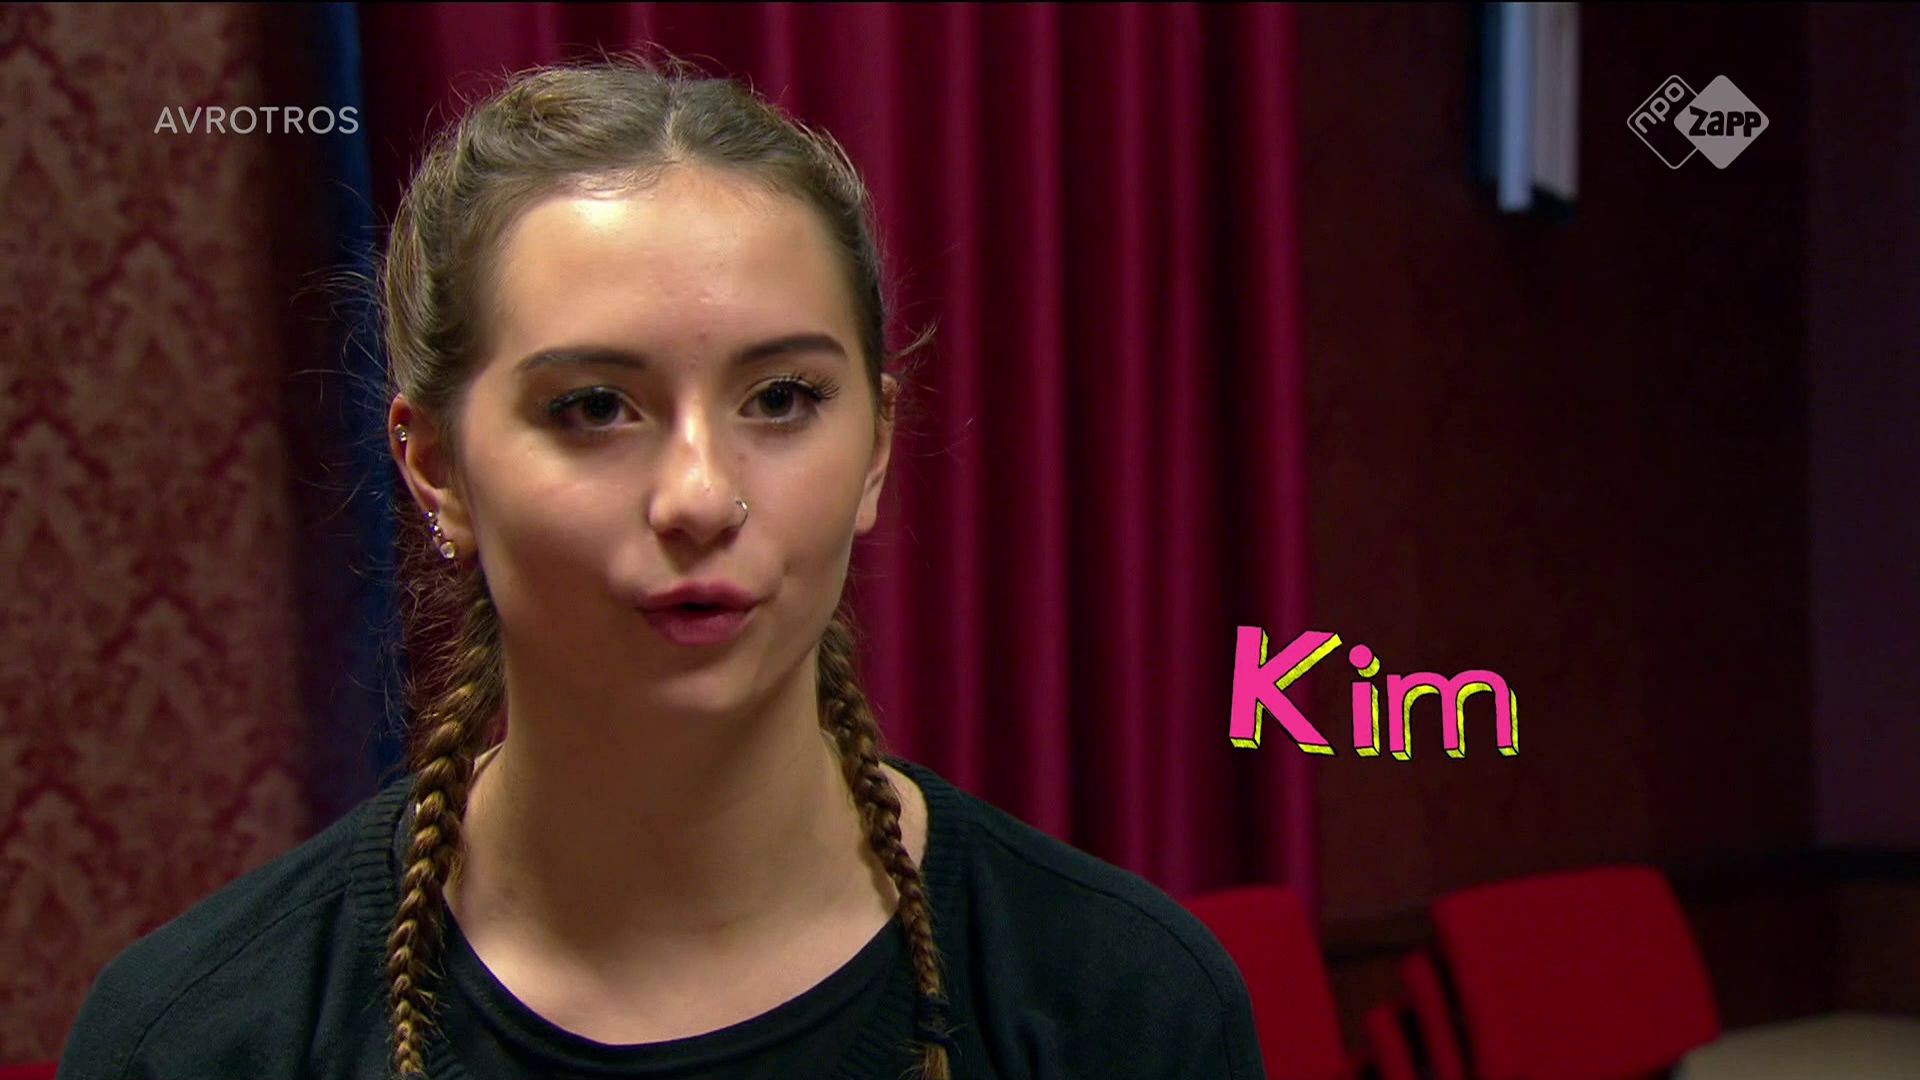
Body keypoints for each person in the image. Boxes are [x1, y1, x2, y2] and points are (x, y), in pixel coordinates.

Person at [58, 56, 1266, 1080]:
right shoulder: (203, 1038)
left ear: (877, 448)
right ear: (436, 467)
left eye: (781, 398)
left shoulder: (1121, 1003)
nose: (698, 495)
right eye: (594, 406)